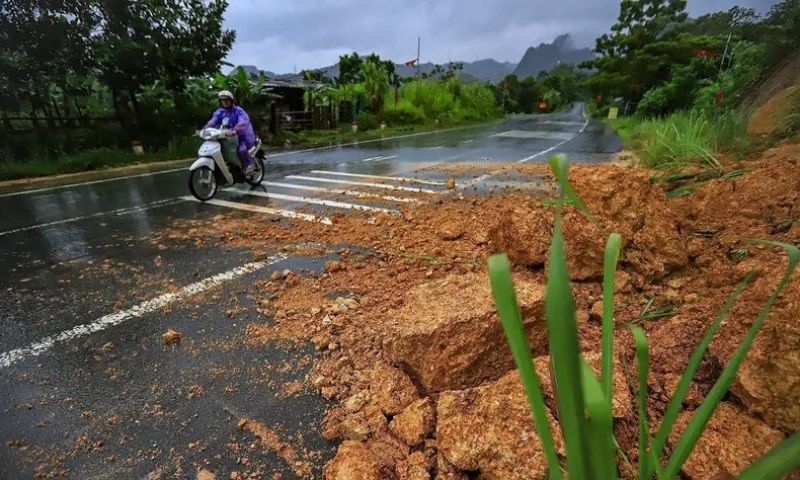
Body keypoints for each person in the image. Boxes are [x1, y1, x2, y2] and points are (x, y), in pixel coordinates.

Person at [200, 90, 256, 175]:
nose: (225, 102)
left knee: (241, 150)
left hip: (243, 136)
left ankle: (250, 164)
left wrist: (235, 131)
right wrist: (204, 129)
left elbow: (242, 122)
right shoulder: (220, 112)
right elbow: (213, 121)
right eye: (222, 100)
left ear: (231, 100)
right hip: (227, 137)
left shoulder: (238, 111)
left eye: (227, 100)